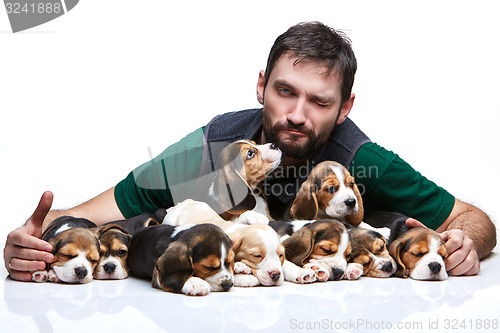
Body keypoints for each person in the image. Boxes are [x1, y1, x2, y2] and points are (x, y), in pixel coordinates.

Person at [4, 21, 496, 282]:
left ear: (344, 108)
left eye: (319, 101)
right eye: (285, 91)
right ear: (261, 86)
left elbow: (473, 219)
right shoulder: (217, 144)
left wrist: (465, 244)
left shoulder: (363, 160)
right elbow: (98, 210)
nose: (297, 114)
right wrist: (35, 240)